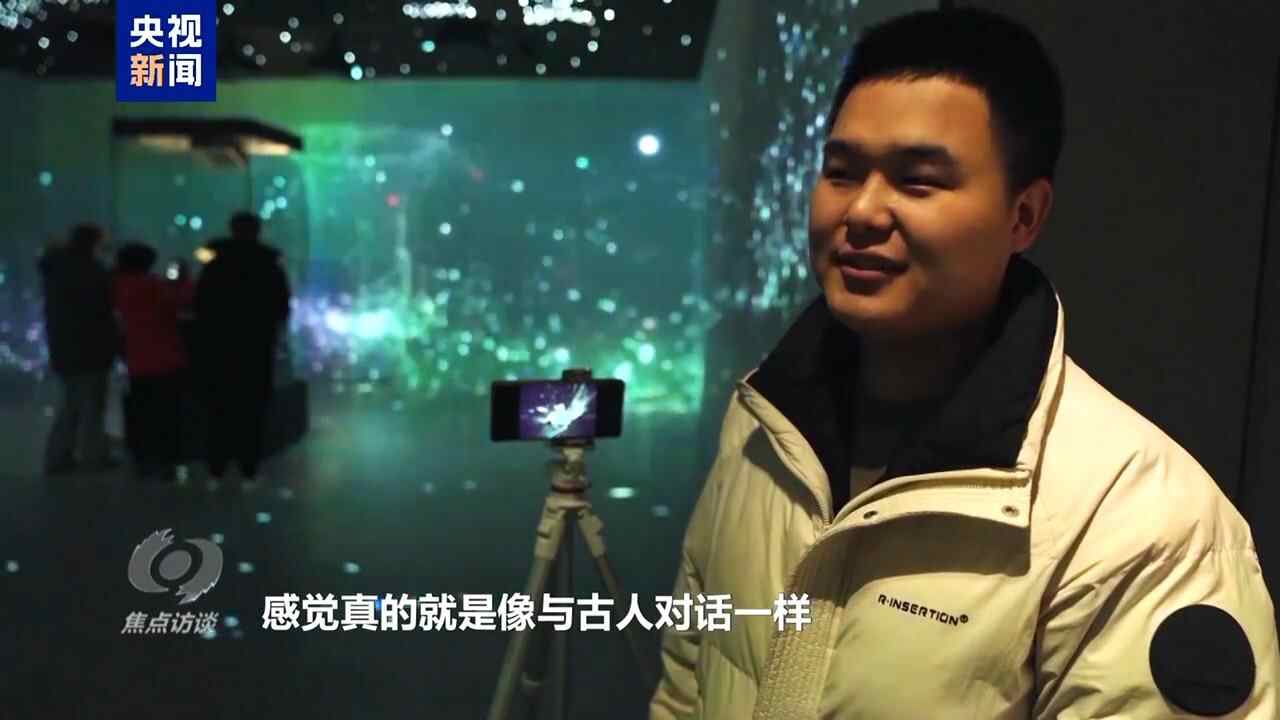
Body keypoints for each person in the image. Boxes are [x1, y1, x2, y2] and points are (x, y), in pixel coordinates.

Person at [650, 8, 1279, 719]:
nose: (863, 212)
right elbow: (689, 679)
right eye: (841, 171)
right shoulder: (762, 424)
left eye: (918, 181)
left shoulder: (1143, 519)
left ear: (1024, 216)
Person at [193, 212, 291, 486]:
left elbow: (200, 303)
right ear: (257, 231)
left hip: (219, 346)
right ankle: (249, 468)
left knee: (219, 408)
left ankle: (216, 468)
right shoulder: (269, 265)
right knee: (253, 410)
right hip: (256, 346)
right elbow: (281, 307)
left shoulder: (215, 264)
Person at [38, 223, 120, 476]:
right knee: (90, 405)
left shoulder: (58, 269)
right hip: (89, 348)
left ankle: (61, 456)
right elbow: (100, 309)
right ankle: (91, 456)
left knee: (73, 404)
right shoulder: (88, 271)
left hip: (66, 347)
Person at [111, 243, 195, 482]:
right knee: (168, 413)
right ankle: (167, 461)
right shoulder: (153, 285)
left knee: (142, 412)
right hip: (166, 358)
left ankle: (142, 460)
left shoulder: (117, 286)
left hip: (137, 359)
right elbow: (183, 302)